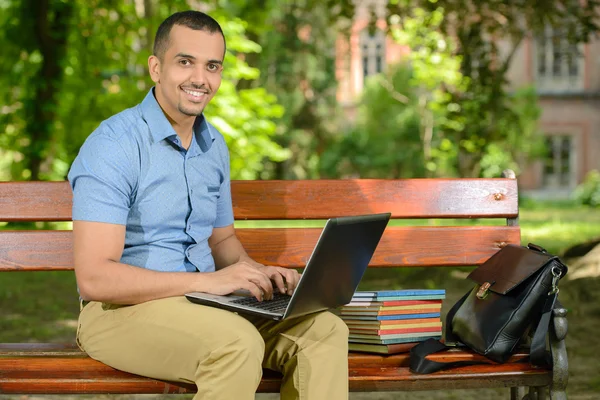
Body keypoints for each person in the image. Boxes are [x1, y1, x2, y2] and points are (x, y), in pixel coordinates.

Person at [68, 10, 349, 400]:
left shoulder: (213, 145)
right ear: (156, 68)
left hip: (206, 304)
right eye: (185, 62)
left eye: (212, 66)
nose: (200, 78)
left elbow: (222, 243)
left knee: (323, 330)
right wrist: (208, 282)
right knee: (235, 344)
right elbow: (95, 279)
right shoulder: (114, 144)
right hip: (118, 313)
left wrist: (257, 273)